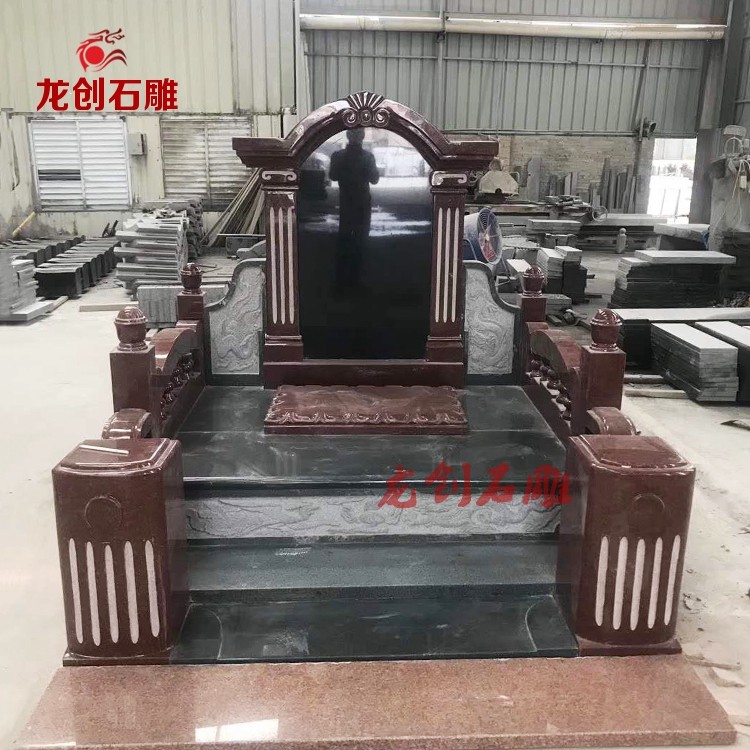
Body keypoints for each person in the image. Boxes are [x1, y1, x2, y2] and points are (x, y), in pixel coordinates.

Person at [329, 128, 380, 288]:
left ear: (347, 135)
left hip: (345, 202)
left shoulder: (337, 156)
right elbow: (375, 179)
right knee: (360, 240)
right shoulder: (368, 157)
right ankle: (356, 279)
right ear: (363, 137)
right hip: (363, 203)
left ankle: (340, 279)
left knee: (344, 239)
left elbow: (332, 176)